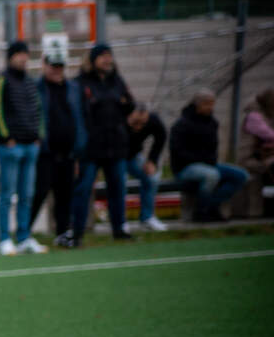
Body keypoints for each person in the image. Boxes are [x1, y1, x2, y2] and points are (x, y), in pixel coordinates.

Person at [72, 43, 135, 244]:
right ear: (93, 60)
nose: (107, 60)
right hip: (91, 147)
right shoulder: (81, 83)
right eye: (103, 56)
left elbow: (129, 105)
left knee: (117, 188)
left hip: (115, 145)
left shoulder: (117, 81)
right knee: (84, 189)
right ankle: (77, 232)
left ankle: (119, 229)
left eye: (109, 56)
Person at [0, 39, 47, 254]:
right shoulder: (1, 80)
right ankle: (4, 239)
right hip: (11, 148)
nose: (24, 58)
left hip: (30, 145)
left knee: (27, 194)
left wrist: (38, 136)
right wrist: (6, 137)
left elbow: (38, 109)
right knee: (7, 194)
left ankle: (24, 237)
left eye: (26, 54)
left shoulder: (30, 82)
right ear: (11, 57)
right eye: (19, 54)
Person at [29, 44, 85, 248]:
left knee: (65, 195)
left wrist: (79, 147)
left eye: (60, 66)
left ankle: (63, 232)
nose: (57, 70)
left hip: (68, 152)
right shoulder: (36, 87)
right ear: (44, 65)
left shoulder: (73, 89)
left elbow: (79, 118)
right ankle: (24, 232)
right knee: (39, 192)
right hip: (45, 152)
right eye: (53, 66)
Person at [169, 89, 249, 222]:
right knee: (212, 175)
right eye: (207, 104)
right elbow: (178, 152)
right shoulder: (181, 124)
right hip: (185, 168)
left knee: (241, 175)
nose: (210, 107)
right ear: (197, 104)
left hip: (209, 165)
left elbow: (213, 148)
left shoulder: (212, 122)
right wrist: (201, 159)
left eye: (212, 104)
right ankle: (201, 212)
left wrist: (210, 160)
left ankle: (212, 206)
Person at [122, 103, 169, 232]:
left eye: (142, 123)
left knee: (151, 178)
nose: (139, 127)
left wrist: (152, 160)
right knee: (120, 183)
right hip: (117, 157)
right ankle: (120, 221)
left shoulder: (153, 120)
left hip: (133, 156)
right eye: (135, 123)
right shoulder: (120, 119)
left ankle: (147, 218)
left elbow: (161, 137)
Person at [239, 87, 274, 184]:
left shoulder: (266, 114)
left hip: (261, 156)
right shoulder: (254, 116)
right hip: (249, 159)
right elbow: (268, 134)